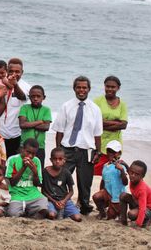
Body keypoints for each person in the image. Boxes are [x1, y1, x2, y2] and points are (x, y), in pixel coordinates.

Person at [52, 76, 103, 215]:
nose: (81, 90)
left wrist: (98, 152)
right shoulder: (66, 106)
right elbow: (60, 130)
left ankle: (84, 205)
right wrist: (58, 150)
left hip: (87, 150)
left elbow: (97, 134)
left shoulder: (95, 109)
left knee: (85, 181)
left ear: (89, 89)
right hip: (67, 149)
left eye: (84, 87)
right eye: (78, 87)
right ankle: (60, 202)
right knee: (61, 178)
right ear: (74, 88)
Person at [93, 76, 128, 176]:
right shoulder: (97, 101)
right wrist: (116, 122)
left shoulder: (122, 105)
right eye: (107, 86)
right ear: (104, 86)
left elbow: (124, 125)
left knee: (110, 173)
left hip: (115, 144)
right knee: (93, 170)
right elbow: (95, 122)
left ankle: (106, 191)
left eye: (113, 87)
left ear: (118, 88)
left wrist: (103, 123)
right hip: (99, 142)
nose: (110, 89)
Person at [5, 138, 48, 218]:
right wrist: (23, 167)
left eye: (33, 153)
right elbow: (12, 183)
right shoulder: (12, 160)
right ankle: (28, 211)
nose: (30, 156)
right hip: (16, 194)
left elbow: (37, 184)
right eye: (28, 152)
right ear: (22, 149)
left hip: (33, 194)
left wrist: (35, 172)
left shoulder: (37, 161)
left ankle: (27, 211)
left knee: (43, 205)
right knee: (12, 213)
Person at [0, 58, 30, 158]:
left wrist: (15, 84)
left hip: (16, 134)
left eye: (17, 72)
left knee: (12, 164)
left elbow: (22, 97)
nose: (14, 74)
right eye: (11, 71)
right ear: (6, 70)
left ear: (22, 72)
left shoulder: (26, 87)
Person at [42, 148, 82, 222]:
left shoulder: (66, 172)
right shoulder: (45, 172)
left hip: (64, 201)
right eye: (55, 159)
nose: (57, 161)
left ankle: (67, 211)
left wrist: (63, 201)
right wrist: (54, 201)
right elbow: (43, 191)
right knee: (51, 215)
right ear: (51, 160)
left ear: (64, 160)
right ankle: (57, 211)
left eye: (60, 159)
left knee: (78, 218)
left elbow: (71, 191)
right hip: (51, 201)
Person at [92, 140, 128, 220]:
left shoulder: (121, 166)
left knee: (111, 216)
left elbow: (125, 183)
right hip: (107, 193)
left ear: (119, 153)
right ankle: (102, 212)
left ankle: (118, 212)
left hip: (117, 196)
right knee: (96, 196)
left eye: (113, 151)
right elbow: (103, 180)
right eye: (109, 151)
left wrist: (122, 170)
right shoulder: (105, 166)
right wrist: (101, 191)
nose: (111, 153)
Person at [19, 85, 51, 167]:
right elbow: (22, 124)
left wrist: (29, 124)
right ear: (29, 97)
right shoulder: (24, 108)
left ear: (43, 97)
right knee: (21, 169)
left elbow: (46, 127)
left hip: (39, 147)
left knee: (37, 171)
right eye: (33, 96)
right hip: (24, 147)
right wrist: (40, 121)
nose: (35, 98)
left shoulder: (46, 110)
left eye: (38, 96)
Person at [120, 160, 151, 228]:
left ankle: (146, 219)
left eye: (137, 174)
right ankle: (123, 221)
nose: (133, 175)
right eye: (131, 173)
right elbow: (131, 171)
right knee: (123, 195)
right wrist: (125, 164)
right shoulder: (133, 178)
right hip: (138, 202)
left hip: (149, 209)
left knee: (131, 214)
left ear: (142, 176)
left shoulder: (141, 189)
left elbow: (142, 208)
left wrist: (138, 224)